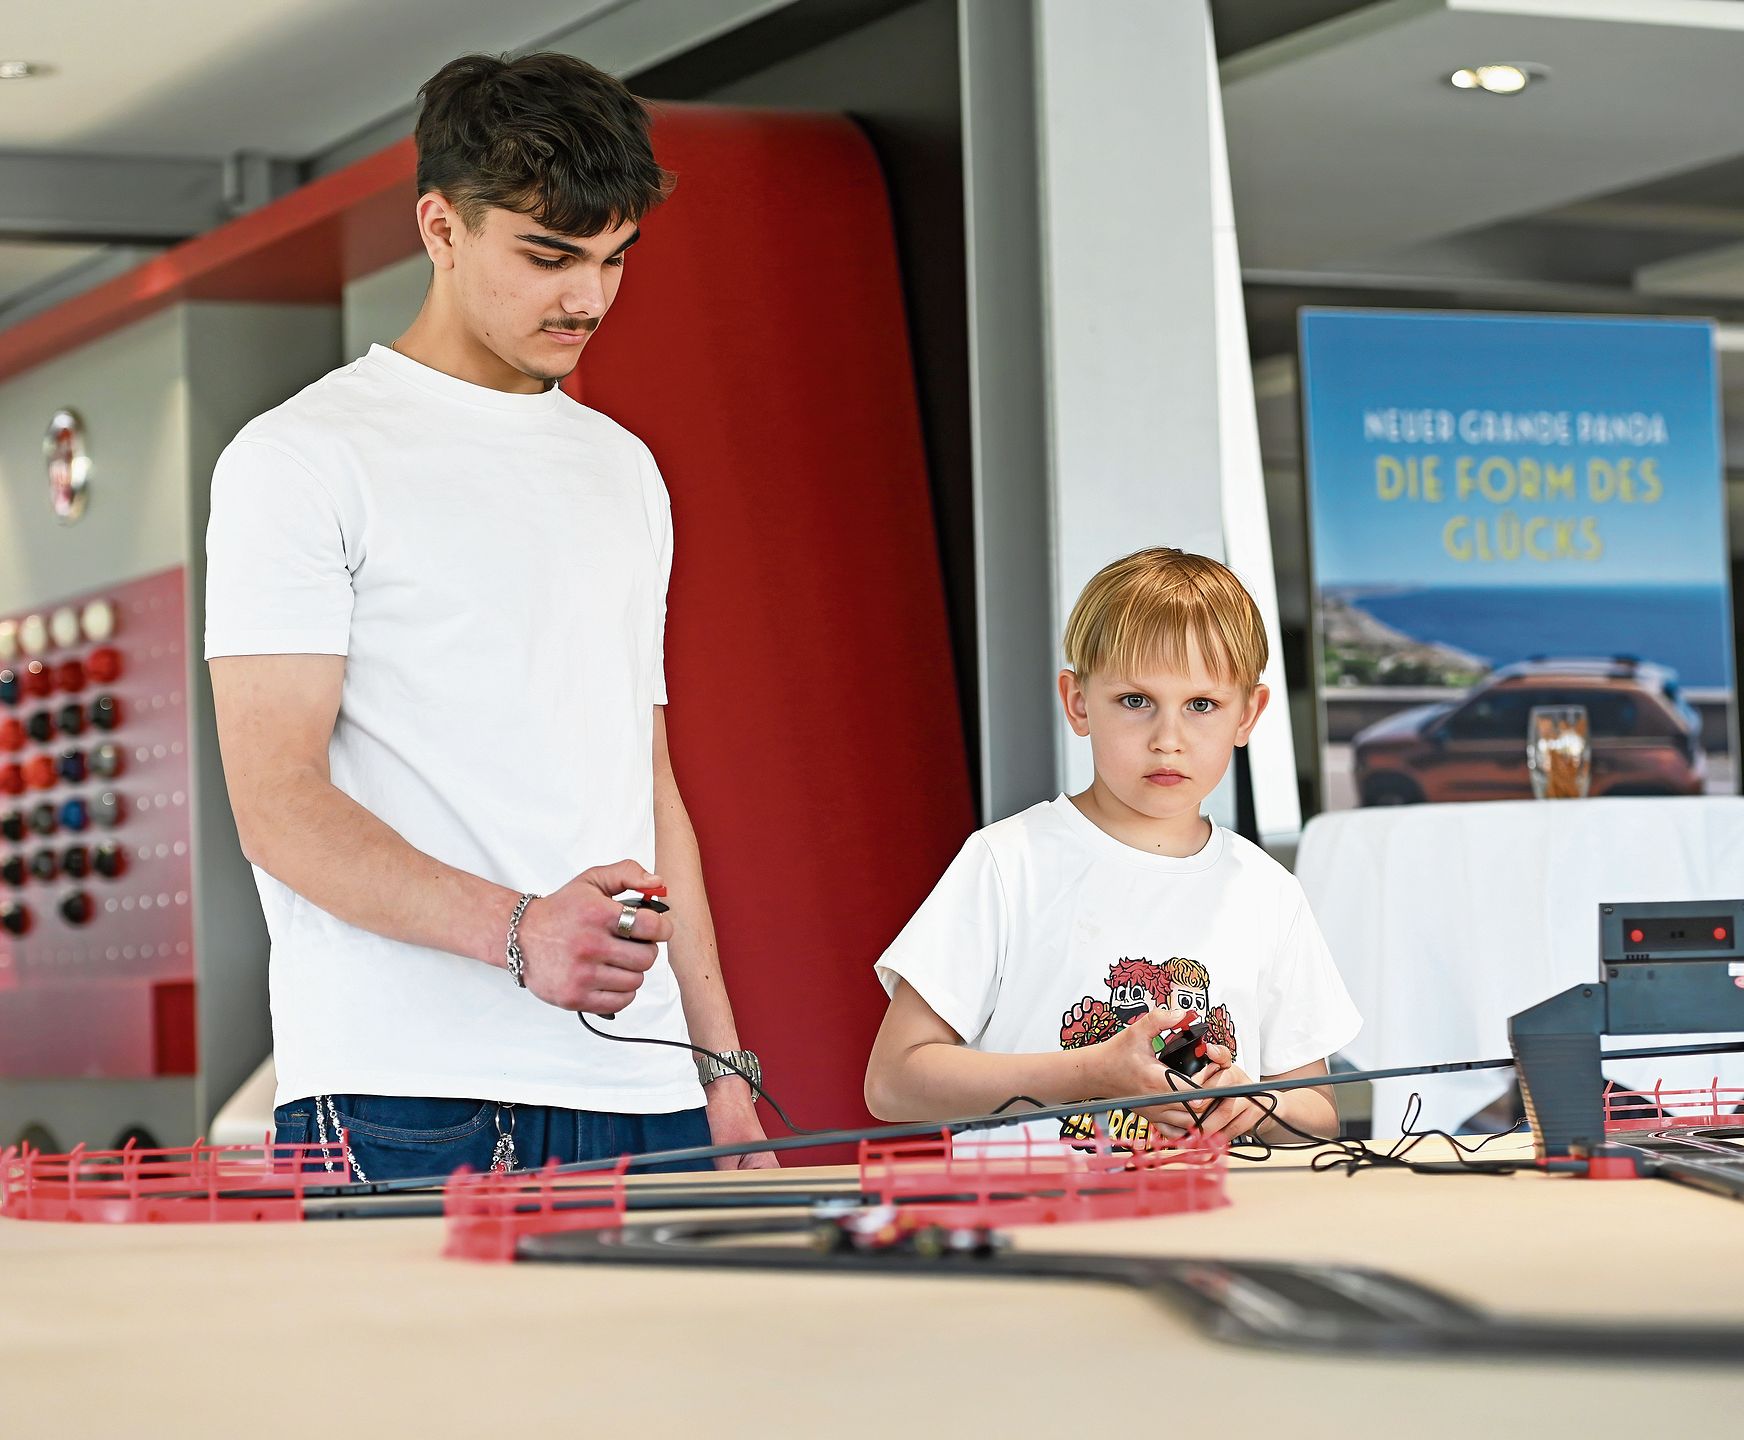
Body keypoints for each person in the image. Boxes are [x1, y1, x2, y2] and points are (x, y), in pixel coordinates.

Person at [205, 52, 773, 1180]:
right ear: (441, 227)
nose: (587, 299)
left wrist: (720, 1071)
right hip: (405, 1090)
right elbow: (276, 800)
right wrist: (519, 934)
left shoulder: (624, 470)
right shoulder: (302, 458)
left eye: (614, 259)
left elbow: (647, 784)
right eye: (549, 256)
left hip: (639, 1083)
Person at [864, 547, 1360, 1146]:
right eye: (1135, 701)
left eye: (1201, 705)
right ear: (1078, 702)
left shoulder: (1267, 890)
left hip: (1220, 1225)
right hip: (1037, 1228)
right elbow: (893, 1082)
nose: (1168, 739)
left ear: (1248, 715)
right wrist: (1093, 1073)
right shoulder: (1006, 861)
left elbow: (1316, 1113)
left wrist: (1253, 1105)